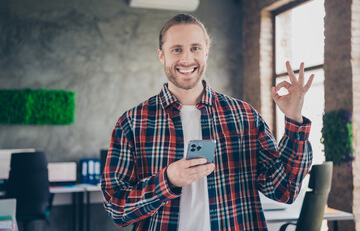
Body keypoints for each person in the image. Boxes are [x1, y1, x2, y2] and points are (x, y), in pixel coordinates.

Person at [101, 14, 314, 230]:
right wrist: (167, 181)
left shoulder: (245, 116)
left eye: (195, 48)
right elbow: (117, 209)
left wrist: (294, 120)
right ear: (161, 55)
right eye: (176, 49)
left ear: (206, 52)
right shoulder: (132, 123)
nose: (186, 59)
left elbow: (284, 190)